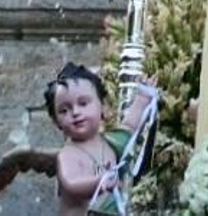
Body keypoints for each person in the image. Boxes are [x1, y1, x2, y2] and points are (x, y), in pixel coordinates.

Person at [44, 64, 157, 216]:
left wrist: (143, 98)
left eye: (83, 103)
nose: (76, 112)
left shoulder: (111, 142)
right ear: (56, 120)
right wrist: (99, 183)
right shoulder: (69, 154)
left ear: (103, 107)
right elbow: (71, 182)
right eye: (64, 110)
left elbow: (130, 125)